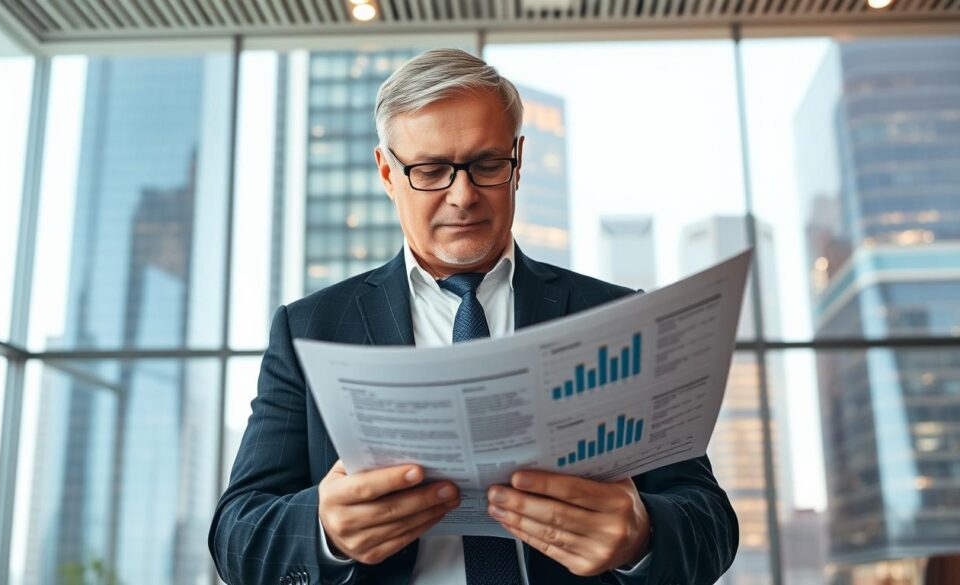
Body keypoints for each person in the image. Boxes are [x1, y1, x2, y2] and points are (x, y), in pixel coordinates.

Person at [209, 48, 738, 585]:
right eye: (431, 170)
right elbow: (237, 535)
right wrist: (325, 531)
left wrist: (641, 537)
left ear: (518, 162)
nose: (462, 196)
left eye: (487, 165)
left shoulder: (617, 316)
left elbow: (710, 521)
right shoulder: (310, 328)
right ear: (387, 173)